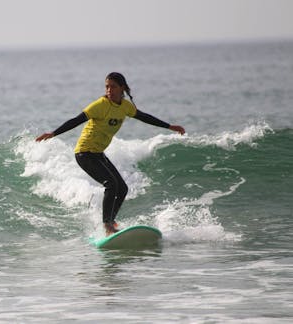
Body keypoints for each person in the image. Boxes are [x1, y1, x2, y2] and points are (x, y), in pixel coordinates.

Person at [36, 72, 185, 236]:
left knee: (122, 188)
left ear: (122, 88)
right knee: (111, 184)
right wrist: (53, 133)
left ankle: (110, 221)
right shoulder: (100, 105)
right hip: (84, 152)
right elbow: (76, 120)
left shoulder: (125, 106)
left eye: (113, 86)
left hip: (98, 153)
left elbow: (144, 117)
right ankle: (107, 225)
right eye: (107, 86)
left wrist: (170, 127)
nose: (109, 90)